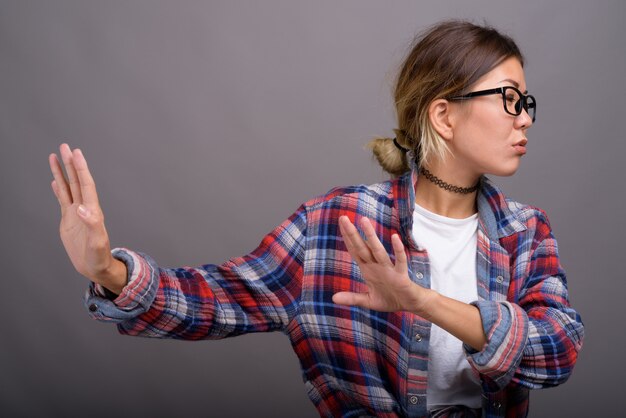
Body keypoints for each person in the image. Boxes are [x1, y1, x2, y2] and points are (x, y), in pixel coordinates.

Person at [48, 20, 584, 418]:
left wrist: (423, 302)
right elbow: (214, 302)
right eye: (510, 99)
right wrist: (108, 272)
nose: (526, 118)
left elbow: (556, 352)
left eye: (527, 101)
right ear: (443, 115)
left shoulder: (525, 231)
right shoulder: (336, 224)